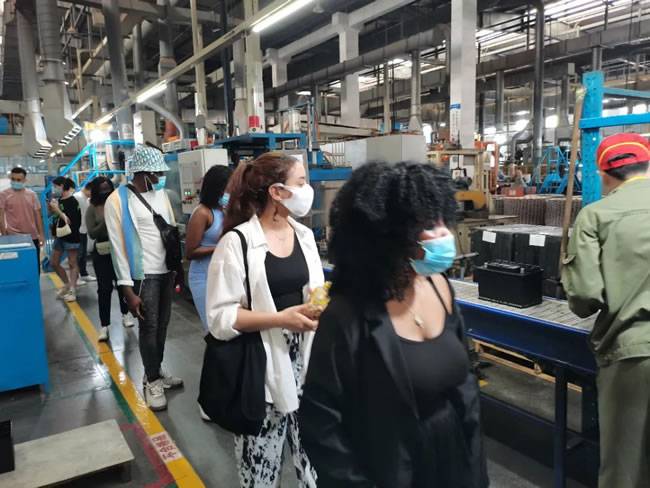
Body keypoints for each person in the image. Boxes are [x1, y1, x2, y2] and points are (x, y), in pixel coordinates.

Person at [299, 162, 488, 488]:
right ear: (389, 235)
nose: (444, 233)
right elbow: (321, 423)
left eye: (442, 219)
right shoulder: (348, 315)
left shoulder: (439, 287)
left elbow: (465, 385)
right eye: (428, 225)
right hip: (387, 471)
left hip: (454, 462)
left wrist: (474, 468)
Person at [206, 152, 323, 488]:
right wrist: (279, 319)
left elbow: (313, 291)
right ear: (277, 191)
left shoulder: (304, 235)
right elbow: (220, 317)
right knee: (261, 473)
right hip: (261, 371)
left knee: (314, 468)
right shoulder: (237, 243)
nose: (308, 190)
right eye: (301, 182)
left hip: (306, 366)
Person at [562, 132, 650, 488]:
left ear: (603, 174)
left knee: (625, 468)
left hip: (633, 357)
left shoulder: (596, 215)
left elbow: (584, 298)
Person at [105, 144, 183, 411]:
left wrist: (176, 269)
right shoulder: (117, 200)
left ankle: (155, 370)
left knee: (162, 326)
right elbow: (117, 247)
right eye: (156, 173)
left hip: (165, 272)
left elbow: (169, 233)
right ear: (142, 172)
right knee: (148, 328)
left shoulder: (161, 196)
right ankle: (152, 381)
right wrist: (127, 289)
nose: (160, 177)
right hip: (143, 276)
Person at [86, 176, 135, 342]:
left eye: (107, 188)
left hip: (120, 249)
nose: (105, 192)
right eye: (102, 189)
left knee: (123, 284)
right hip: (102, 252)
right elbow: (92, 233)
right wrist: (107, 220)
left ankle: (126, 314)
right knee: (104, 289)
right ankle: (104, 325)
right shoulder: (92, 208)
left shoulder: (118, 204)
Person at [186, 165, 232, 332]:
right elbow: (190, 252)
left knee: (226, 326)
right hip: (203, 277)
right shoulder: (202, 213)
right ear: (218, 189)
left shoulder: (224, 210)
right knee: (213, 328)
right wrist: (219, 248)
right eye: (228, 189)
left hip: (221, 274)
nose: (231, 192)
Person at [0, 167, 45, 275]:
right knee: (16, 267)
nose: (15, 182)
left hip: (32, 237)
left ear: (25, 180)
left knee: (34, 267)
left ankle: (35, 286)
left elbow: (37, 215)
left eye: (18, 180)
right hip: (12, 237)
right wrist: (4, 234)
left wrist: (41, 234)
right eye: (13, 179)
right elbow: (0, 216)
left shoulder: (32, 195)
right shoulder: (3, 195)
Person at [50, 176, 82, 303]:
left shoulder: (73, 201)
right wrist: (52, 209)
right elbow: (55, 218)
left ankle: (72, 290)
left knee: (72, 263)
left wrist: (57, 209)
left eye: (55, 186)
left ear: (62, 186)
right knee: (54, 262)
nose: (54, 189)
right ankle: (67, 284)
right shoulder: (59, 200)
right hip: (60, 236)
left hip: (71, 237)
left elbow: (68, 220)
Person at [74, 183, 96, 285]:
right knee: (77, 255)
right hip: (77, 231)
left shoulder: (86, 199)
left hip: (83, 230)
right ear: (88, 189)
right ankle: (76, 277)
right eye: (92, 192)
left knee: (83, 254)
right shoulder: (77, 197)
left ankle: (84, 274)